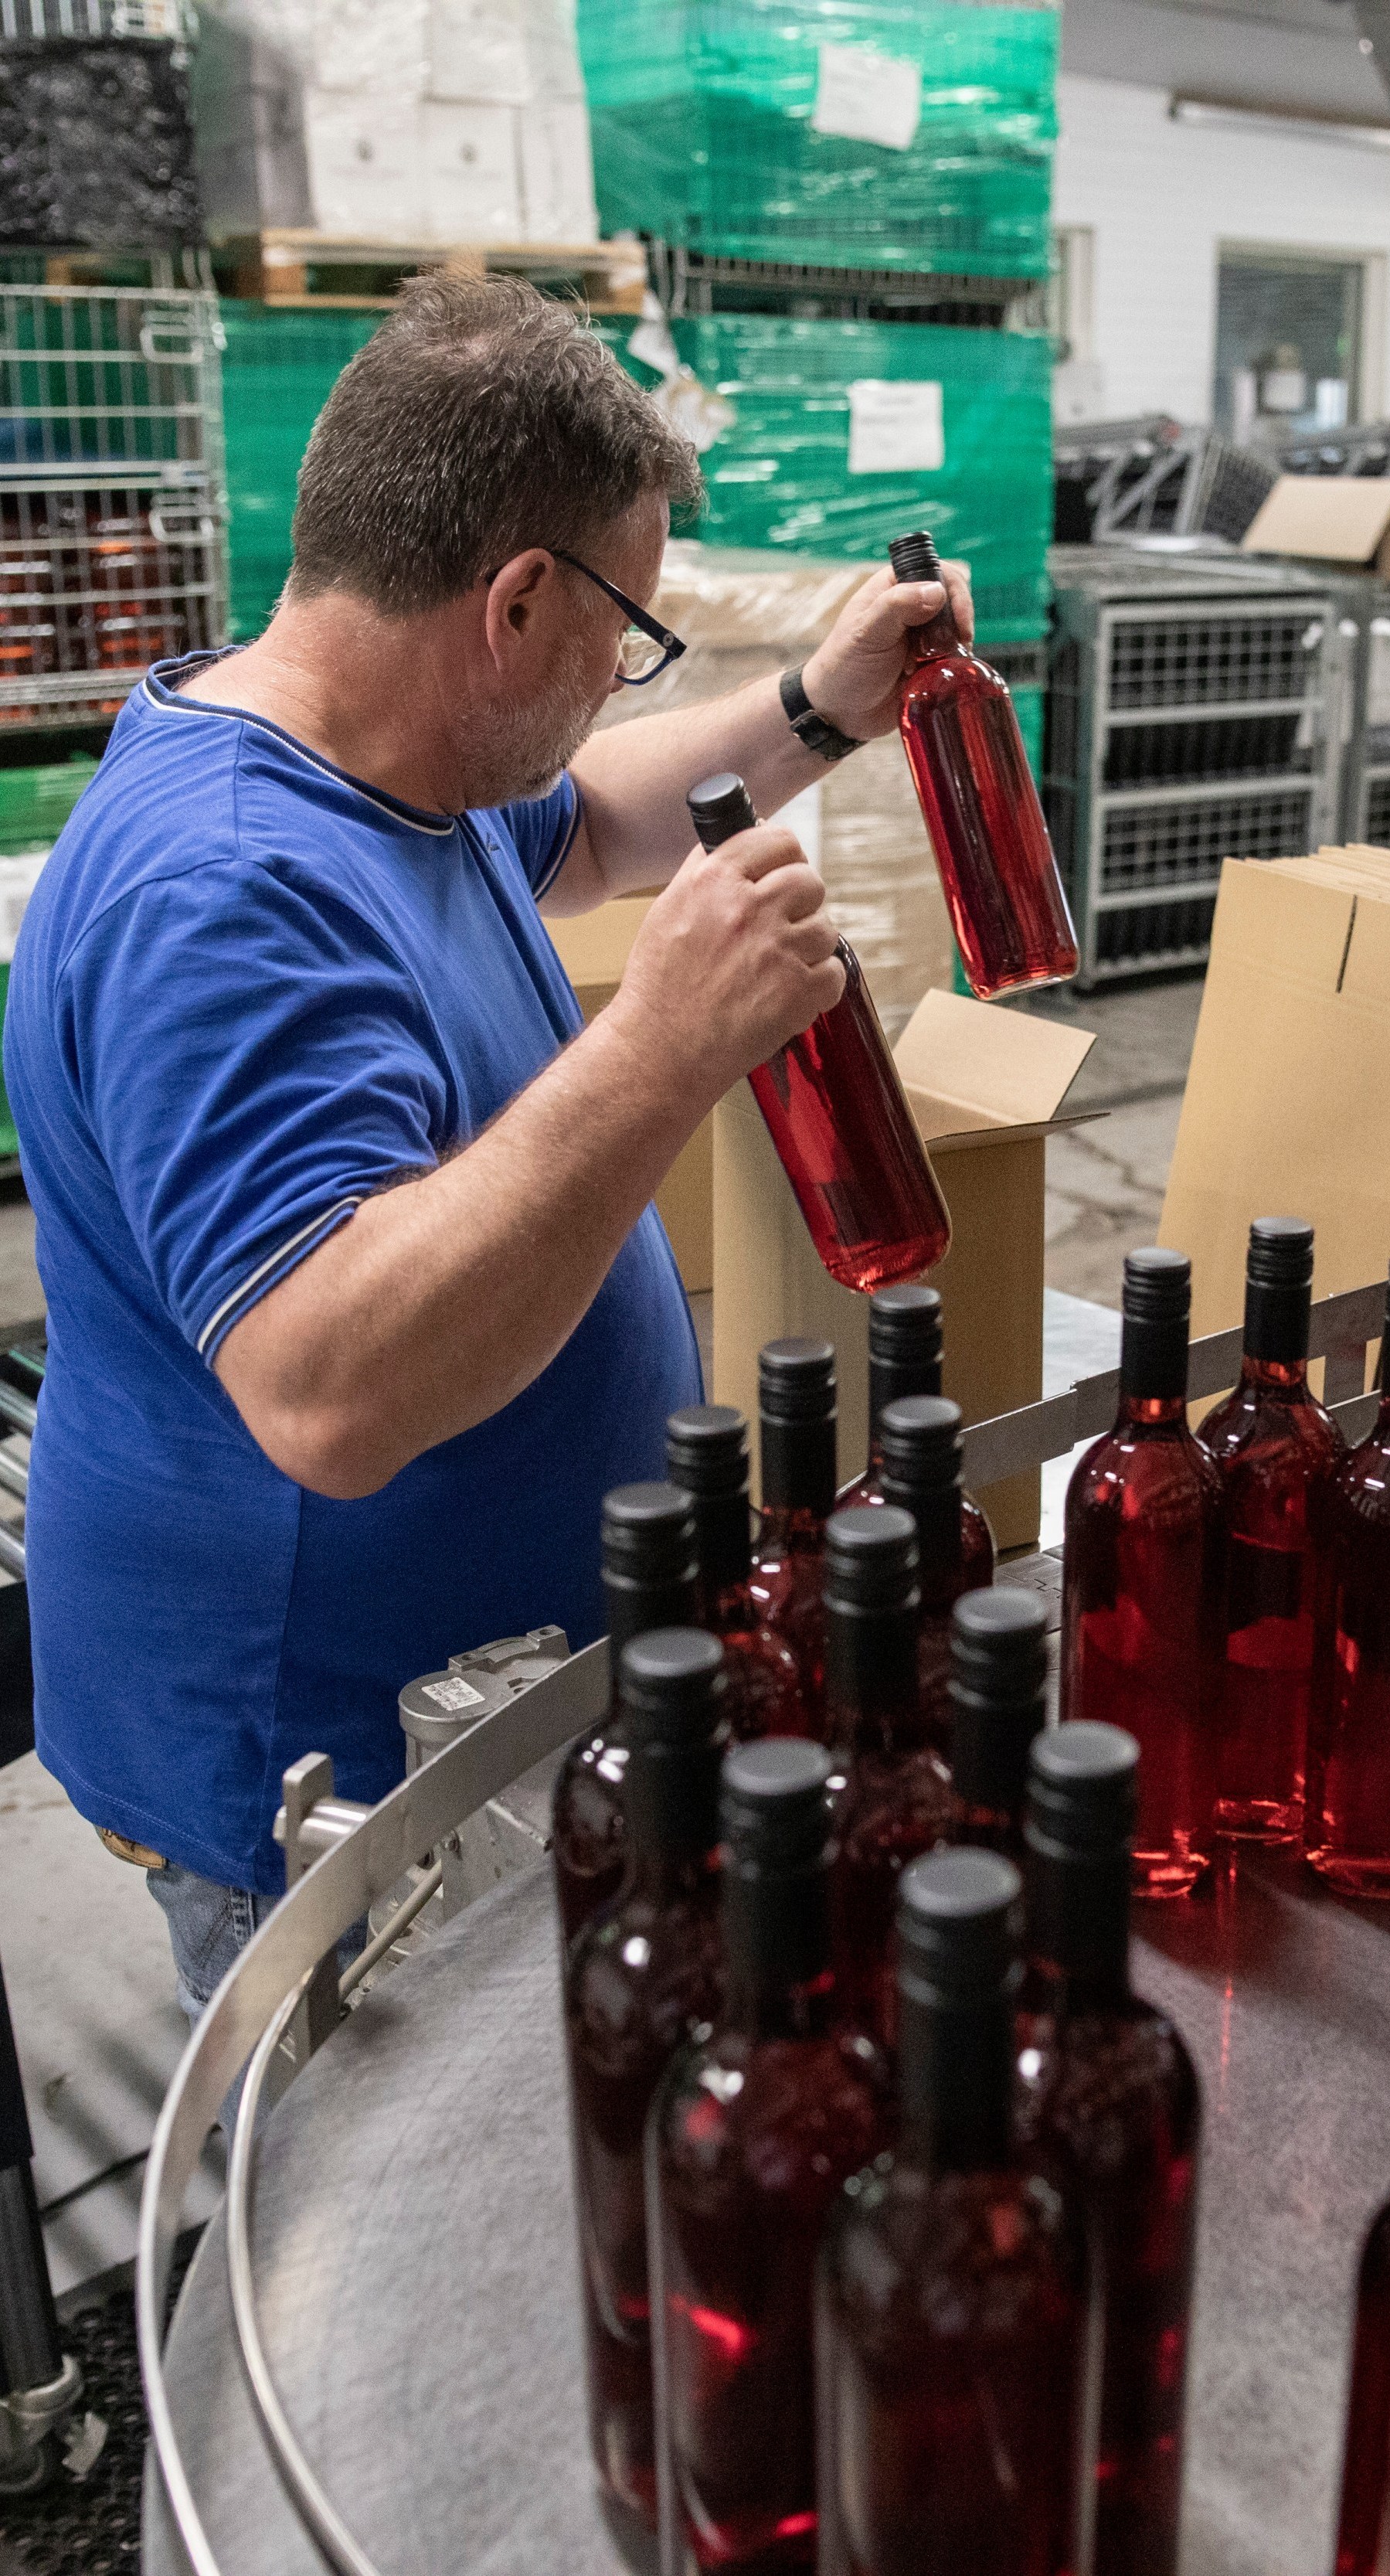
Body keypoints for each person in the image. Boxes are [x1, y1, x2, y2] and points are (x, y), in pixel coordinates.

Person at [3, 274, 975, 2021]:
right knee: (389, 2245)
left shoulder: (385, 767)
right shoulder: (225, 890)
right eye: (627, 638)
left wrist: (820, 709)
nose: (624, 684)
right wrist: (661, 1047)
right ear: (516, 599)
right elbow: (331, 1389)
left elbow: (596, 817)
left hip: (475, 1711)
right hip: (333, 1788)